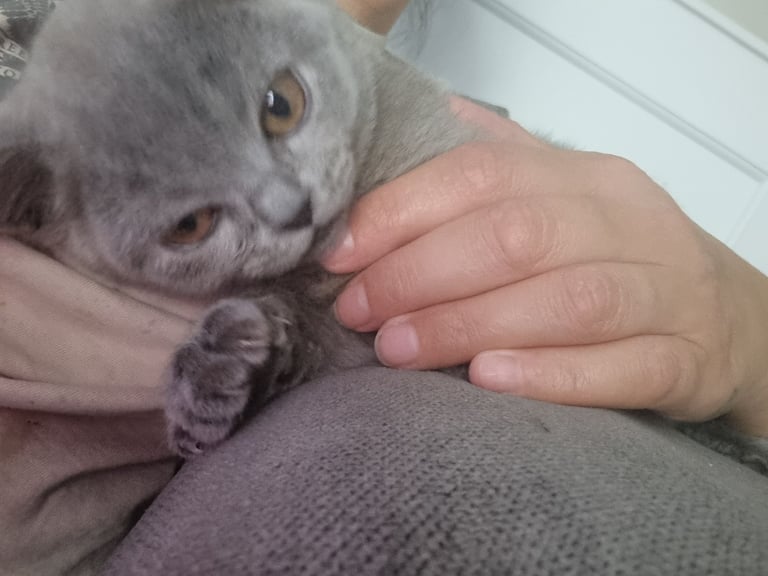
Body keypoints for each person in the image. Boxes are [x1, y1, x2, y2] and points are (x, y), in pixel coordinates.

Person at [2, 0, 768, 574]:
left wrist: (751, 333)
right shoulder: (54, 120)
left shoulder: (476, 136)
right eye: (193, 222)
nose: (291, 207)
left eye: (281, 108)